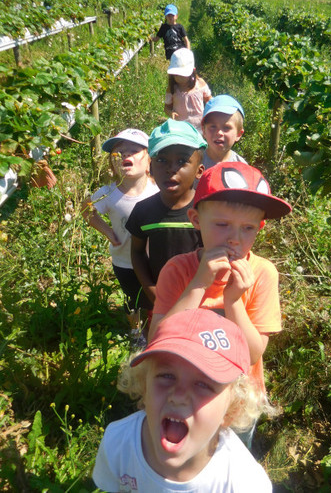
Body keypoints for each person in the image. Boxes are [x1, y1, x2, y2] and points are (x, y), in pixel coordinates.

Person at [149, 162, 292, 405]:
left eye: (248, 228)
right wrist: (199, 284)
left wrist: (233, 301)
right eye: (222, 224)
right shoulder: (177, 270)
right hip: (185, 395)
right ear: (196, 220)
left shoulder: (263, 274)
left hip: (240, 397)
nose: (234, 239)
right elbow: (158, 340)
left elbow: (253, 354)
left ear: (260, 228)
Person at [92, 309, 274, 492]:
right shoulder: (117, 444)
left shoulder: (244, 483)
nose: (178, 396)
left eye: (203, 384)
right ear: (144, 386)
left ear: (232, 409)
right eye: (167, 375)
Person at [125, 119, 207, 323]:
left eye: (182, 161)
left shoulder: (207, 212)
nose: (171, 169)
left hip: (202, 301)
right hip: (159, 301)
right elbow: (136, 251)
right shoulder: (143, 211)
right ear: (151, 168)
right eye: (162, 160)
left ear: (199, 170)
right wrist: (150, 289)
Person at [81, 129, 158, 340]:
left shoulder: (158, 189)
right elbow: (86, 208)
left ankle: (158, 331)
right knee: (132, 300)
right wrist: (107, 231)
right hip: (124, 262)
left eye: (134, 151)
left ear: (149, 160)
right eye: (119, 152)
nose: (125, 155)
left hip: (155, 260)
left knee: (156, 296)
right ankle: (136, 333)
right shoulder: (108, 193)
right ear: (111, 164)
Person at [164, 48, 212, 133]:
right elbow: (166, 107)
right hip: (180, 129)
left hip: (200, 128)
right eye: (176, 75)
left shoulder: (200, 84)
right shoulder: (172, 89)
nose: (179, 78)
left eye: (182, 75)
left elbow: (209, 100)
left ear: (192, 71)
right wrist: (171, 113)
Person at [201, 94, 247, 171]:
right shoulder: (195, 163)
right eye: (213, 126)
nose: (219, 133)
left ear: (239, 134)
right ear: (203, 131)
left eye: (226, 127)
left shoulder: (242, 167)